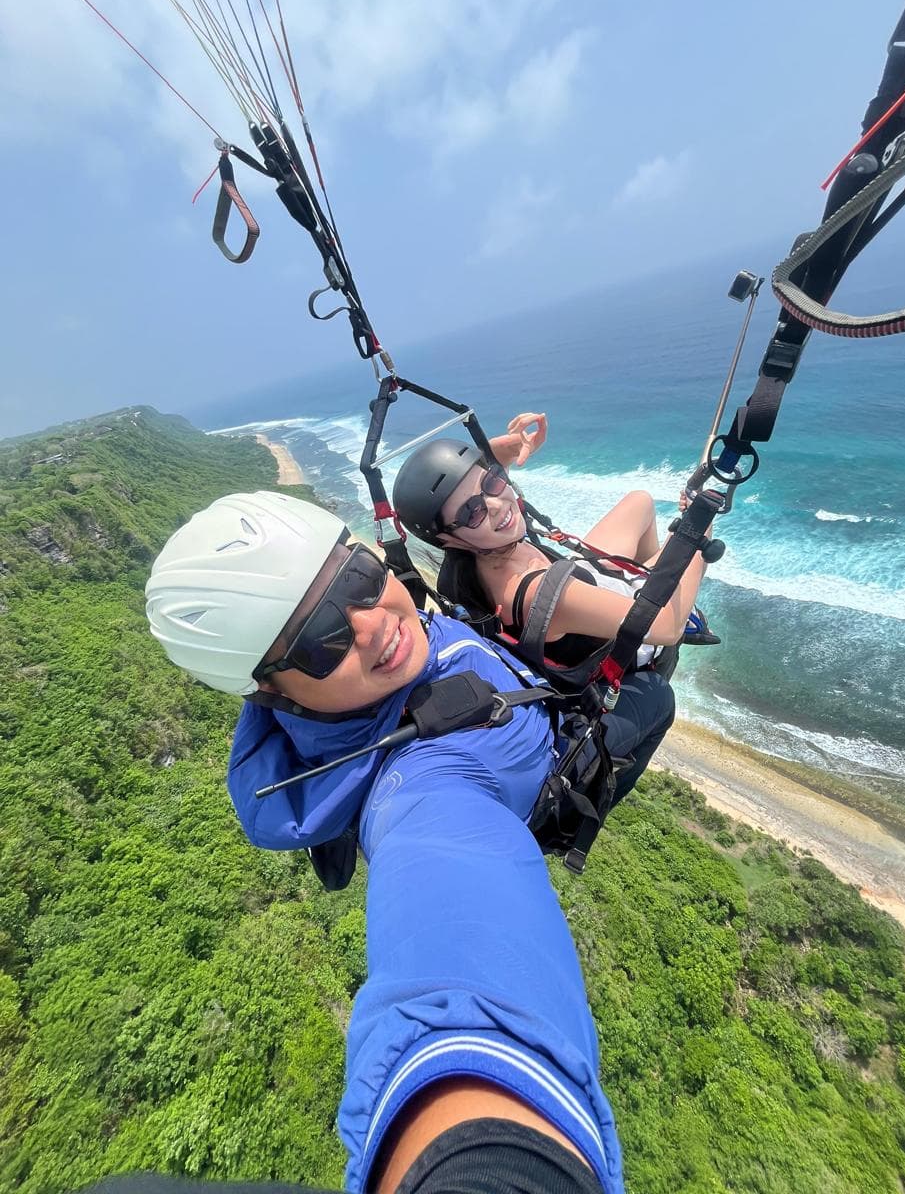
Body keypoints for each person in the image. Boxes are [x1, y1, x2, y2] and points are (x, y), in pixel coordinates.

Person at [145, 490, 634, 1194]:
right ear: (276, 696)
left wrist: (493, 466)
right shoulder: (421, 786)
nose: (373, 626)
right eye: (321, 643)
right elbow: (457, 974)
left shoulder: (394, 643)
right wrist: (492, 1160)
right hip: (577, 752)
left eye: (359, 580)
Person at [391, 413, 709, 682]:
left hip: (576, 581)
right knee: (694, 533)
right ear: (448, 539)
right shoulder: (534, 594)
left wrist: (512, 448)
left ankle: (640, 584)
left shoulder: (474, 556)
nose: (497, 505)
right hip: (634, 640)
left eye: (492, 483)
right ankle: (667, 611)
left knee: (639, 502)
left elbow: (478, 487)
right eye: (472, 512)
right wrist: (696, 531)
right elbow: (665, 627)